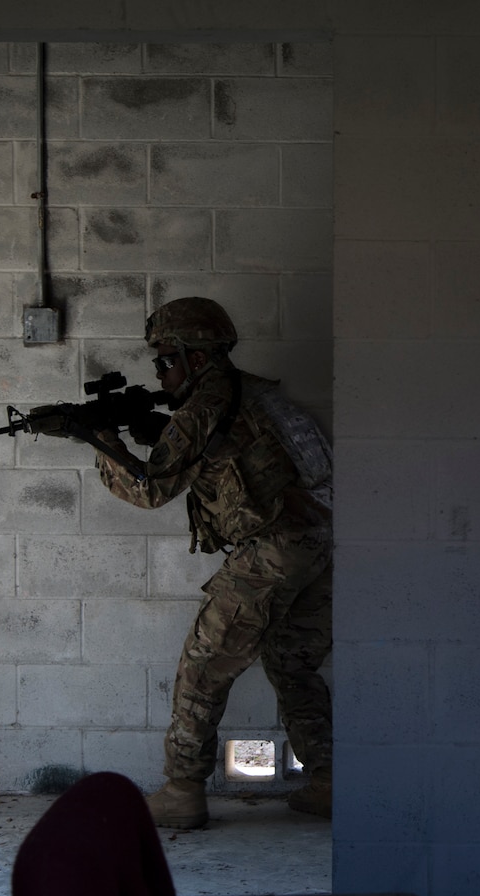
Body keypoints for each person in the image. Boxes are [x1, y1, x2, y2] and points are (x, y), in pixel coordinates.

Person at [86, 297, 334, 830]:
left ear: (197, 359)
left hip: (271, 549)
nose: (161, 372)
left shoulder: (204, 407)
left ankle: (182, 790)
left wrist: (100, 440)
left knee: (203, 665)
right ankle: (330, 780)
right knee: (292, 665)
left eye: (166, 360)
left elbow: (150, 490)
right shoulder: (252, 392)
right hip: (315, 545)